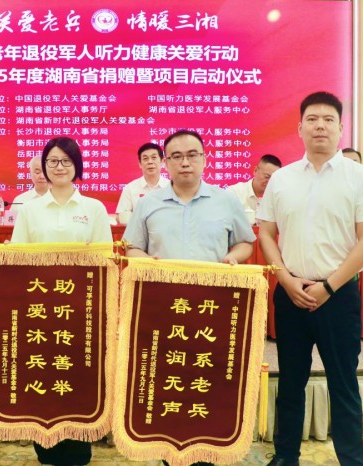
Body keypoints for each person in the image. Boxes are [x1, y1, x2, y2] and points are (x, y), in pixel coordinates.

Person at [257, 91, 363, 466]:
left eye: (328, 119)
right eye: (312, 119)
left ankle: (351, 460)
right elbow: (266, 233)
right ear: (300, 128)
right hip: (291, 292)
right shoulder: (282, 179)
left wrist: (329, 286)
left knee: (343, 383)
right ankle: (285, 456)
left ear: (341, 128)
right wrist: (285, 278)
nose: (320, 126)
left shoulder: (360, 177)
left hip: (338, 296)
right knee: (290, 381)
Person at [123, 129, 256, 466]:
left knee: (207, 377)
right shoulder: (148, 203)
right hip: (163, 309)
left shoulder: (226, 200)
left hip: (213, 309)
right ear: (166, 162)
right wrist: (145, 261)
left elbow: (245, 242)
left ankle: (207, 450)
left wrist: (233, 258)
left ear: (204, 159)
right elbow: (132, 247)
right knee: (168, 379)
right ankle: (171, 451)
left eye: (192, 155)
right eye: (177, 156)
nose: (185, 162)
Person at [11, 137, 112, 466]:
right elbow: (18, 259)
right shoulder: (30, 209)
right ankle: (46, 448)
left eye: (66, 161)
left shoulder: (93, 208)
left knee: (77, 376)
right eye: (52, 161)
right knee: (43, 373)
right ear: (43, 167)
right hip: (40, 310)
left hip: (81, 310)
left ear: (76, 165)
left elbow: (103, 259)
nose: (59, 167)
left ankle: (79, 447)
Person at [115, 142, 170, 223]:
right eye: (145, 158)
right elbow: (121, 216)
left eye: (154, 157)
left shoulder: (171, 187)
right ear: (140, 164)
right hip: (139, 230)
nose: (150, 162)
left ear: (162, 161)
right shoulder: (130, 188)